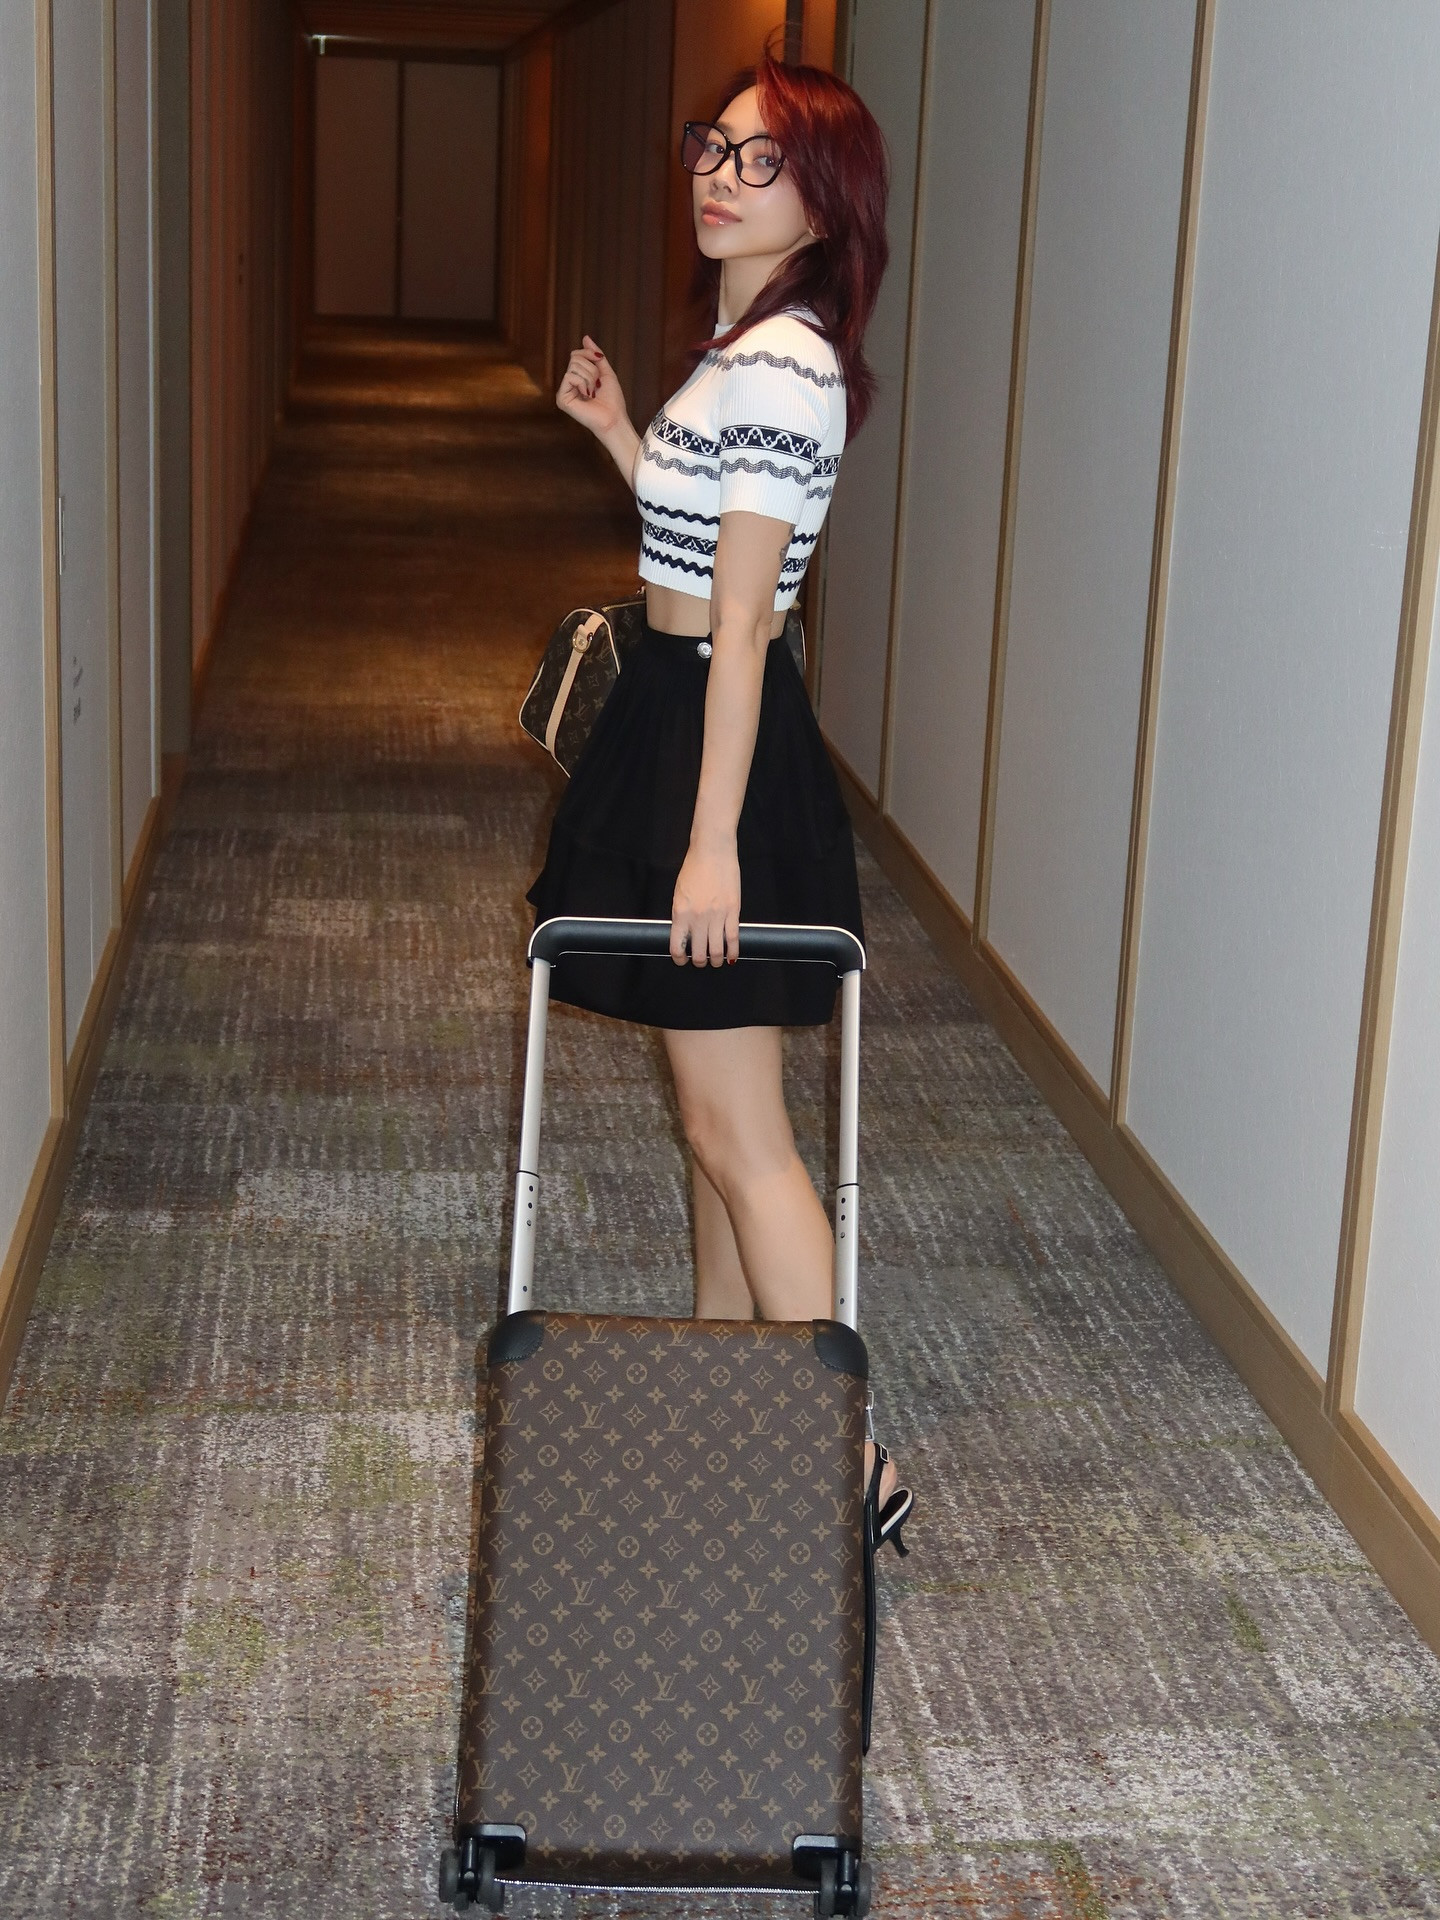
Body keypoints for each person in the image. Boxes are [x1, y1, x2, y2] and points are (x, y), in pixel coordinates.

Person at [527, 50, 912, 1553]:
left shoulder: (784, 367)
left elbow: (745, 624)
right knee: (710, 1117)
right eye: (715, 145)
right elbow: (692, 559)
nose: (719, 175)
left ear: (823, 207)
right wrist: (623, 433)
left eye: (761, 161)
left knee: (741, 1132)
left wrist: (709, 847)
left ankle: (850, 1461)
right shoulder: (742, 352)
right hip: (683, 708)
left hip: (719, 741)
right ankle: (726, 1393)